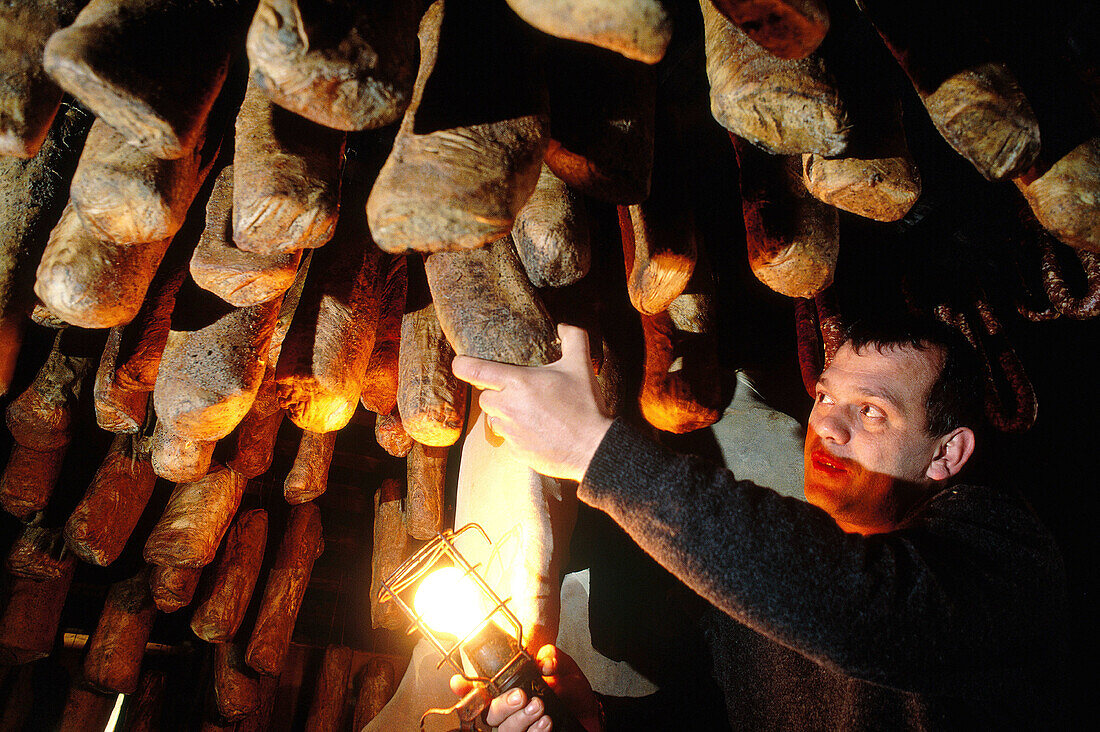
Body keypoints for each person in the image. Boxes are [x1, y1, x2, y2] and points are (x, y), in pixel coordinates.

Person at [449, 317, 1068, 731]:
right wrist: (594, 716)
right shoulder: (761, 596)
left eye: (871, 411)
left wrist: (592, 450)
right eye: (826, 397)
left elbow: (870, 607)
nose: (827, 426)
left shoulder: (1004, 549)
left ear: (946, 454)